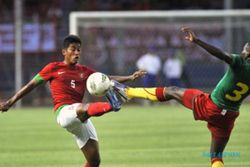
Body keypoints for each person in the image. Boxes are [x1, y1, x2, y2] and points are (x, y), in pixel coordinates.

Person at [112, 27, 250, 167]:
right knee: (216, 157)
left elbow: (221, 55)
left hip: (211, 106)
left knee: (172, 91)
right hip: (229, 116)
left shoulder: (240, 62)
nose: (243, 52)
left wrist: (197, 41)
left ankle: (128, 92)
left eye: (245, 50)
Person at [0, 35, 146, 167]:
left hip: (80, 119)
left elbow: (106, 78)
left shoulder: (84, 70)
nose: (77, 53)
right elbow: (31, 84)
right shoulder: (53, 68)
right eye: (73, 49)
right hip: (64, 113)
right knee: (82, 108)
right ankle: (112, 105)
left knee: (94, 161)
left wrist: (130, 77)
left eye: (79, 50)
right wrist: (10, 102)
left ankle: (110, 105)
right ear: (64, 51)